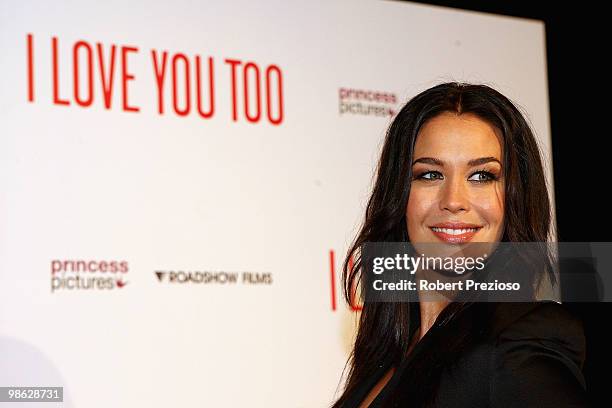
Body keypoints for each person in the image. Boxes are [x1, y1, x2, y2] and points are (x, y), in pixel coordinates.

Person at [331, 82, 588, 407]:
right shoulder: (389, 350)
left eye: (482, 176)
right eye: (429, 175)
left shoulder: (516, 344)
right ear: (398, 195)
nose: (453, 200)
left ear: (515, 198)